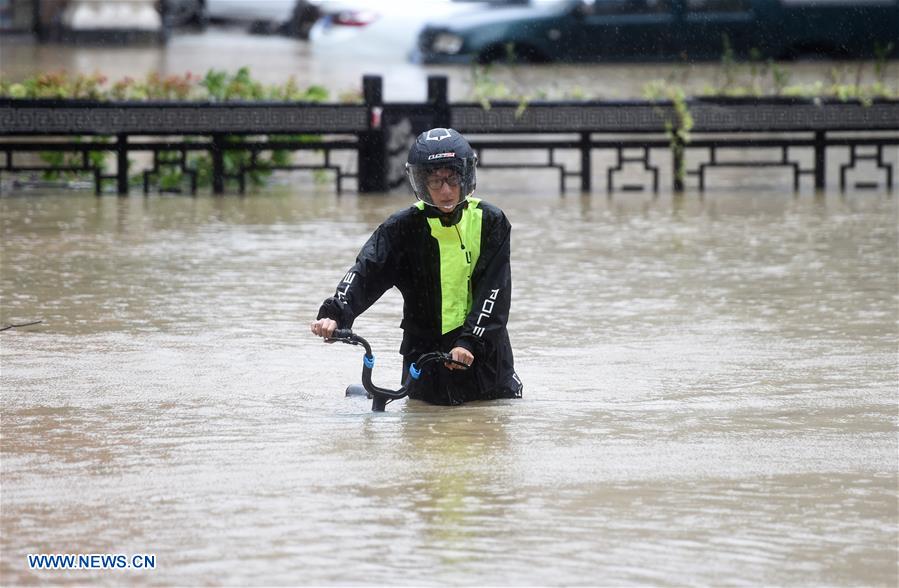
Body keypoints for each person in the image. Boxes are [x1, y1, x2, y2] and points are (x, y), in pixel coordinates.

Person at [310, 127, 523, 406]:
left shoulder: (491, 222)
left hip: (483, 361)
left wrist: (469, 342)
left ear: (466, 176)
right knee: (419, 432)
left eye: (452, 179)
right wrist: (335, 313)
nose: (446, 190)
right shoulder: (401, 227)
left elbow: (494, 293)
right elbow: (367, 270)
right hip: (424, 357)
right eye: (436, 182)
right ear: (422, 183)